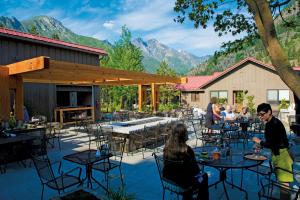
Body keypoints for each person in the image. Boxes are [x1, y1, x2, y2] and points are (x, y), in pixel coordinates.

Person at [252, 103, 293, 199]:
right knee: (282, 182)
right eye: (259, 115)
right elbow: (281, 140)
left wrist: (259, 142)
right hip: (280, 154)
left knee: (284, 184)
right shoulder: (273, 122)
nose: (260, 117)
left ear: (269, 112)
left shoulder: (273, 124)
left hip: (281, 156)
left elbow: (273, 144)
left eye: (262, 114)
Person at [163, 123, 209, 200]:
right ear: (183, 136)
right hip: (184, 184)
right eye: (186, 132)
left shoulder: (167, 147)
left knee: (187, 176)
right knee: (204, 176)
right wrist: (200, 163)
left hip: (168, 179)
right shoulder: (187, 150)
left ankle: (189, 197)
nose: (188, 133)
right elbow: (196, 171)